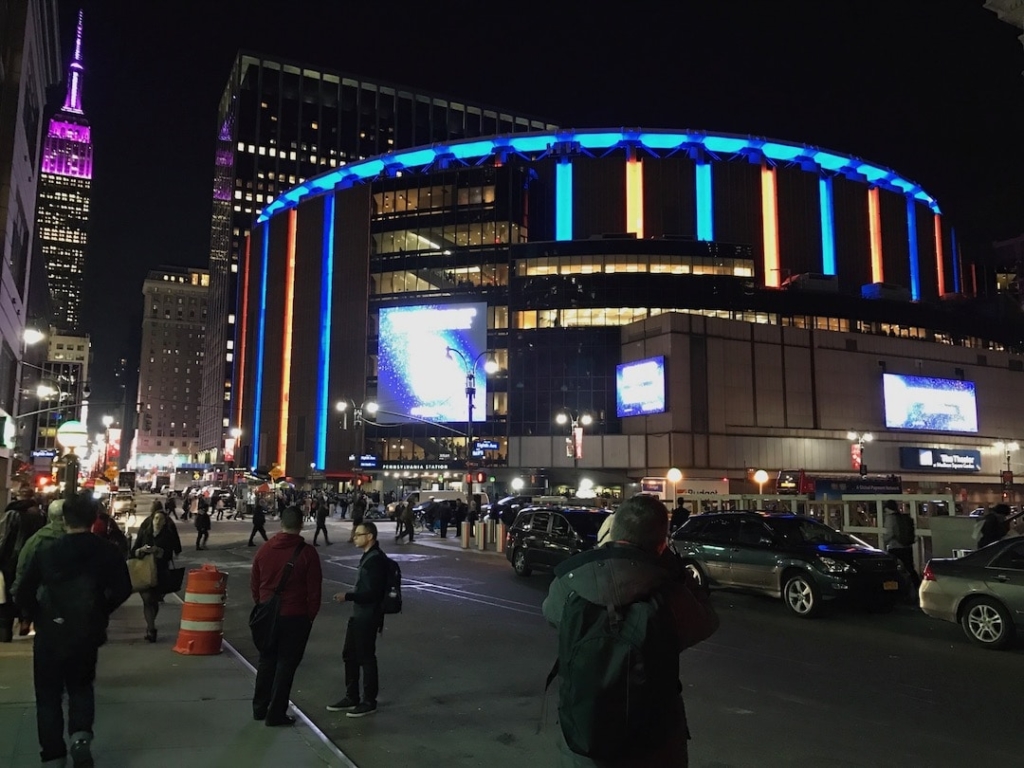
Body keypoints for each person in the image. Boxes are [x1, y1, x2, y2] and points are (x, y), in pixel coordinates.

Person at [542, 495, 719, 767]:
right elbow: (706, 621)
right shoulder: (669, 591)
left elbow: (552, 615)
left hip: (583, 741)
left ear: (613, 530)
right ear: (661, 543)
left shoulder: (570, 582)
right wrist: (676, 569)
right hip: (654, 747)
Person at [15, 492, 132, 768]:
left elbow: (23, 590)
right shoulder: (107, 551)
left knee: (48, 696)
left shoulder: (47, 550)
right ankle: (80, 737)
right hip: (86, 632)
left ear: (64, 519)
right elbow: (123, 589)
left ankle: (53, 755)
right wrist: (101, 610)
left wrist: (35, 614)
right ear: (93, 519)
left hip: (50, 632)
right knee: (81, 687)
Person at [250, 505, 323, 726]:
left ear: (281, 523)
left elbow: (255, 583)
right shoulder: (307, 553)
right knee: (286, 665)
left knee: (266, 660)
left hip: (267, 614)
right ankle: (276, 713)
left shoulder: (264, 549)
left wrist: (263, 604)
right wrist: (310, 616)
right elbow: (314, 590)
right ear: (301, 525)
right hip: (295, 615)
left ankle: (259, 708)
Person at [327, 521, 388, 718]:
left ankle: (369, 701)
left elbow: (372, 593)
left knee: (366, 657)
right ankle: (351, 696)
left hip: (368, 616)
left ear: (370, 537)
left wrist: (348, 596)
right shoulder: (368, 557)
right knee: (350, 655)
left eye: (358, 534)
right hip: (359, 614)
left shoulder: (376, 560)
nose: (354, 537)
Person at [131, 503, 183, 642]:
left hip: (160, 572)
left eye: (161, 519)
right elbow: (134, 550)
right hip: (144, 571)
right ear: (152, 518)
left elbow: (171, 552)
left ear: (165, 521)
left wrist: (159, 551)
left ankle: (151, 625)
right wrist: (141, 550)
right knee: (147, 600)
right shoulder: (145, 530)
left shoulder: (168, 533)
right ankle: (151, 628)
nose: (158, 521)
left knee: (154, 601)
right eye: (156, 518)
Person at [0, 486, 45, 641]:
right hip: (32, 557)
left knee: (8, 594)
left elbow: (3, 538)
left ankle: (5, 630)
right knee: (28, 589)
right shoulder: (39, 514)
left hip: (11, 560)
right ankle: (25, 620)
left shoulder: (12, 513)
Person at [882, 500, 919, 587]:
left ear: (887, 508)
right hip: (906, 546)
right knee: (909, 567)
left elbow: (890, 533)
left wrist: (884, 540)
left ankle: (895, 586)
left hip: (895, 547)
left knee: (893, 568)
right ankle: (917, 584)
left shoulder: (890, 518)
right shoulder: (901, 517)